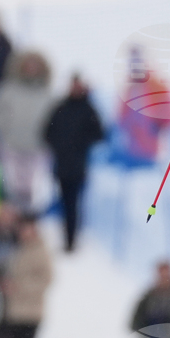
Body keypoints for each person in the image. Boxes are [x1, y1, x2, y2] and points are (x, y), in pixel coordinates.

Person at [44, 74, 104, 251]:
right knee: (65, 203)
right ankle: (66, 238)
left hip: (79, 167)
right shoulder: (61, 107)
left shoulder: (88, 109)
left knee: (74, 204)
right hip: (62, 165)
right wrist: (59, 145)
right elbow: (47, 132)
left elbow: (99, 133)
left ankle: (72, 240)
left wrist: (81, 143)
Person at [0, 51, 52, 212]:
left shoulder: (48, 93)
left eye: (35, 65)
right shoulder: (7, 90)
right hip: (11, 147)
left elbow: (55, 119)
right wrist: (4, 132)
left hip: (37, 149)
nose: (31, 69)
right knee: (10, 190)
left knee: (34, 193)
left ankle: (30, 226)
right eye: (28, 65)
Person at [0, 216, 53, 338]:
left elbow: (46, 280)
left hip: (30, 313)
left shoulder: (41, 250)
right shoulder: (18, 248)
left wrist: (19, 286)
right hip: (14, 312)